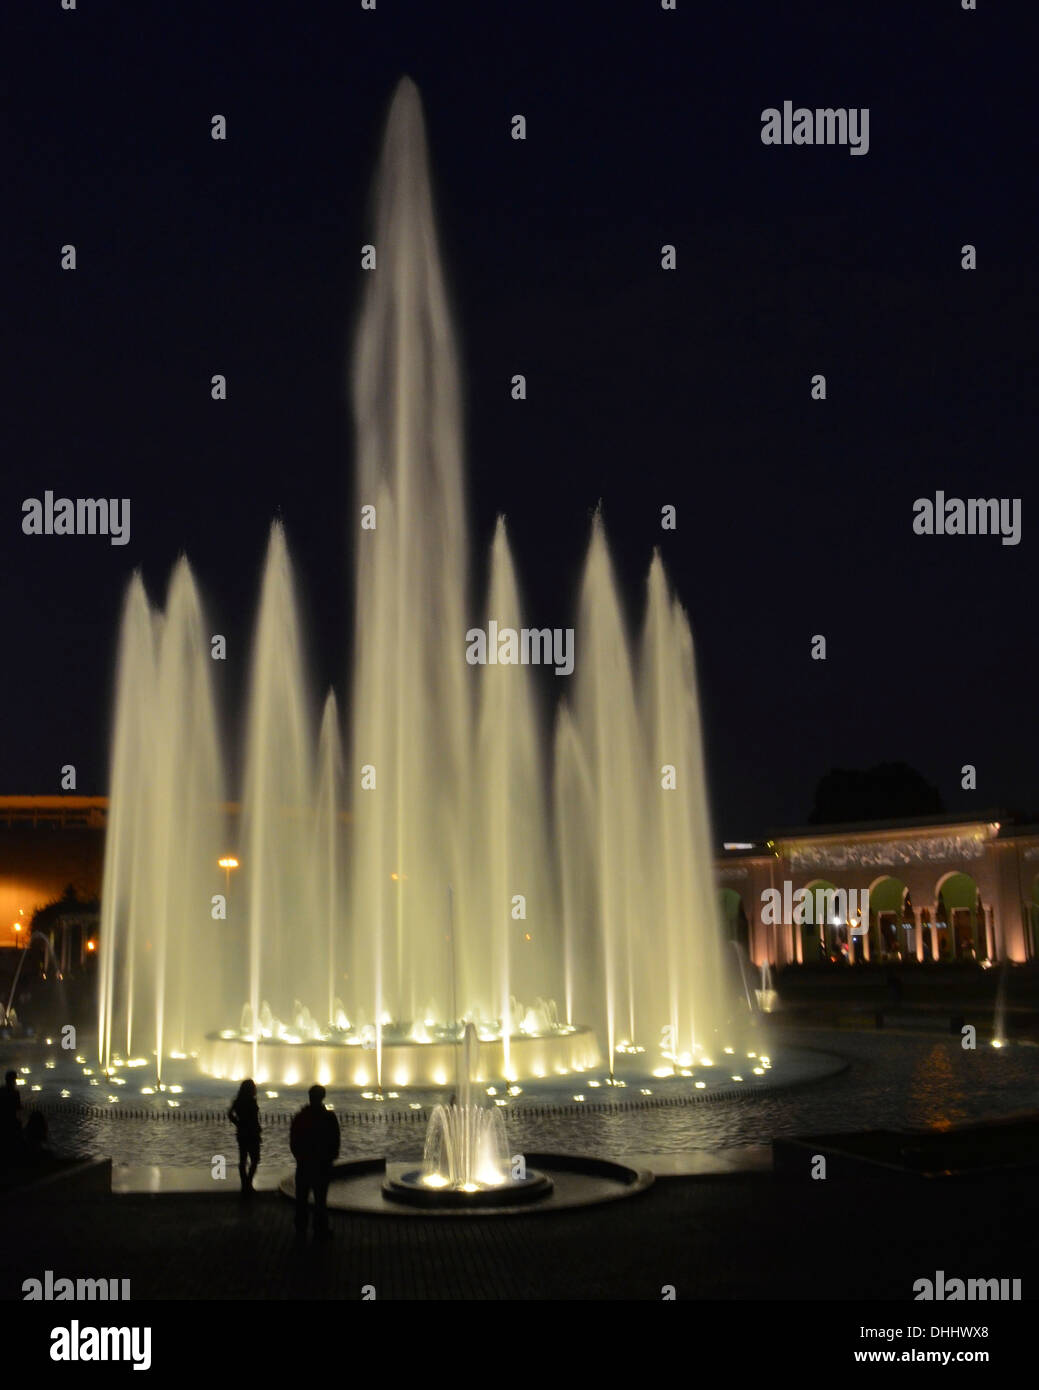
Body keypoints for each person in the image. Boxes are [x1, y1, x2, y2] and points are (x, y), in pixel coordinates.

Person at [289, 1084, 340, 1238]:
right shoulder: (329, 1117)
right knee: (320, 1198)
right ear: (323, 1097)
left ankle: (300, 1229)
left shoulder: (300, 1116)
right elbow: (335, 1139)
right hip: (322, 1164)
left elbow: (294, 1140)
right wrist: (331, 1157)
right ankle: (320, 1228)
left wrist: (299, 1156)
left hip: (304, 1164)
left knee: (302, 1198)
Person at [228, 1079, 261, 1195]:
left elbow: (229, 1113)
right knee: (255, 1159)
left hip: (242, 1133)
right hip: (252, 1133)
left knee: (243, 1159)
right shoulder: (251, 1101)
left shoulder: (238, 1101)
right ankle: (248, 1183)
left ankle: (245, 1185)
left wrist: (237, 1123)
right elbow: (253, 1118)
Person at [0, 1070, 22, 1162]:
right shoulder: (15, 1092)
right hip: (11, 1120)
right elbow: (18, 1106)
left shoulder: (1, 1090)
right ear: (13, 1080)